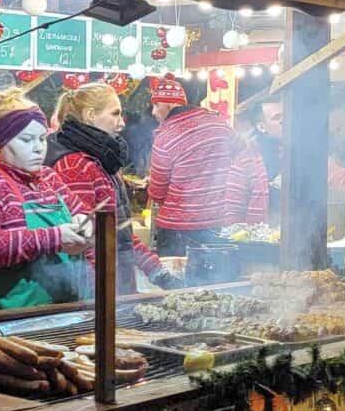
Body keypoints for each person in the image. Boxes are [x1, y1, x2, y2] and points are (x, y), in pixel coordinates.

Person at [0, 88, 91, 314]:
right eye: (26, 139)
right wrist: (54, 237)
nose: (38, 148)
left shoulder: (49, 179)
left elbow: (82, 212)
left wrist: (86, 223)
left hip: (52, 312)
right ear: (1, 142)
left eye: (42, 138)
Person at [46, 83, 181, 294]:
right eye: (115, 114)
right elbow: (86, 239)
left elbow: (120, 231)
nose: (122, 122)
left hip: (117, 285)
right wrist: (102, 296)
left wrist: (157, 272)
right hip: (98, 293)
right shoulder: (74, 165)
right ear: (91, 115)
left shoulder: (102, 161)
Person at [149, 73, 266, 256]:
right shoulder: (218, 123)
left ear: (170, 105)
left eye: (156, 105)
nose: (153, 112)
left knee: (178, 281)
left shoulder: (165, 137)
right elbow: (241, 149)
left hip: (176, 231)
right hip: (214, 226)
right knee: (212, 279)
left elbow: (156, 193)